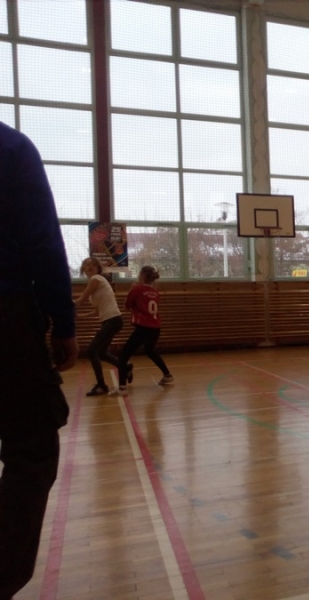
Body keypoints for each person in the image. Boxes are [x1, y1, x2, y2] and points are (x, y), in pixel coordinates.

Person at [0, 122, 79, 598]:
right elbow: (44, 242)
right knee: (31, 449)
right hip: (5, 315)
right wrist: (62, 323)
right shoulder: (10, 147)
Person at [112, 266, 174, 394]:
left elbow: (127, 306)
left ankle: (122, 387)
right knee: (149, 350)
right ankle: (167, 375)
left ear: (143, 276)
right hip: (156, 327)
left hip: (143, 327)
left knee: (123, 355)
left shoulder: (137, 289)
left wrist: (132, 291)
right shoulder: (155, 292)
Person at [75, 257, 123, 396]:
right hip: (110, 321)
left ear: (98, 269)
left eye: (93, 265)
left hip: (113, 320)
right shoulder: (95, 285)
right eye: (87, 265)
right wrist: (80, 316)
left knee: (91, 351)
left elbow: (81, 299)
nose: (90, 267)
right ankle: (125, 367)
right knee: (101, 353)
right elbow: (97, 311)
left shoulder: (96, 279)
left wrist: (65, 304)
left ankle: (101, 385)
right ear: (83, 268)